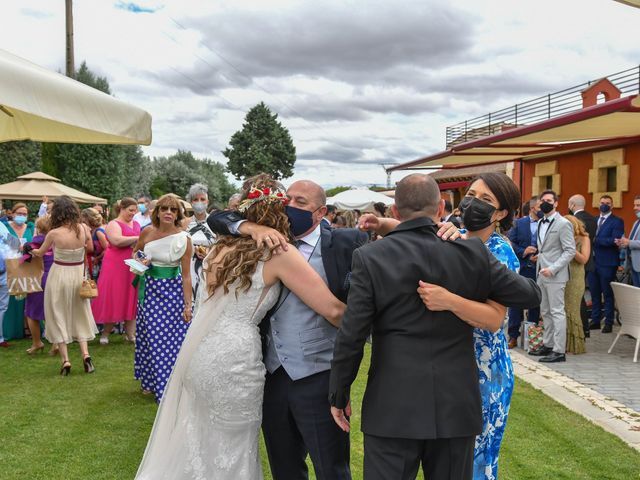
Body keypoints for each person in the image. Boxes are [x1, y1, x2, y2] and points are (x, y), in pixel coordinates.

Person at [135, 175, 348, 479]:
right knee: (232, 449)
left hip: (201, 354)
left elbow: (221, 222)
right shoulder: (278, 251)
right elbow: (333, 309)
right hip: (235, 361)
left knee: (200, 440)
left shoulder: (220, 248)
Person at [329, 174, 541, 480]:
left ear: (396, 212)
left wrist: (339, 392)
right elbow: (530, 294)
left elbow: (352, 334)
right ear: (441, 207)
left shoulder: (371, 257)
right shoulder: (470, 251)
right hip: (455, 404)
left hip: (393, 405)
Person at [208, 178, 368, 480]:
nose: (289, 206)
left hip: (320, 373)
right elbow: (217, 217)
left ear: (320, 213)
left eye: (300, 203)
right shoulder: (266, 240)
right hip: (271, 373)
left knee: (331, 468)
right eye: (287, 199)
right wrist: (254, 227)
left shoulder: (347, 242)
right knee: (285, 467)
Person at [133, 194, 193, 403]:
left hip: (172, 292)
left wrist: (188, 305)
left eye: (173, 210)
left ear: (178, 214)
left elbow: (186, 276)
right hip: (148, 290)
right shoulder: (147, 232)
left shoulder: (184, 239)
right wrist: (142, 260)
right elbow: (136, 254)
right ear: (157, 212)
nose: (168, 212)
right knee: (149, 336)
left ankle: (166, 385)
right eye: (164, 209)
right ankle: (149, 381)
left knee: (168, 341)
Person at [31, 196, 97, 375]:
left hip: (59, 274)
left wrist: (31, 250)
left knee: (57, 313)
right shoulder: (84, 228)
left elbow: (40, 252)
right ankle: (85, 355)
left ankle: (66, 360)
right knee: (80, 313)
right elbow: (89, 248)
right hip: (78, 275)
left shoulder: (54, 233)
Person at [528, 190, 576, 362]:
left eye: (549, 200)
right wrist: (539, 258)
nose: (545, 203)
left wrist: (553, 268)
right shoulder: (540, 222)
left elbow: (570, 250)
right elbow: (545, 249)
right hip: (541, 272)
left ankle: (559, 350)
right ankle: (547, 345)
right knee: (545, 311)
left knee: (557, 311)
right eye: (543, 200)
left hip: (556, 274)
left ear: (556, 203)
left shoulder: (563, 223)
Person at [92, 197, 140, 344]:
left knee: (131, 296)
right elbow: (116, 241)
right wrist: (138, 237)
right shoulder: (113, 224)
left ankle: (130, 334)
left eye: (135, 210)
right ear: (122, 209)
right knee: (114, 295)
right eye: (130, 210)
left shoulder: (136, 223)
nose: (133, 213)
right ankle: (105, 333)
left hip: (132, 264)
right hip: (115, 264)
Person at [506, 196, 542, 348]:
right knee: (516, 303)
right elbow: (510, 242)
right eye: (540, 206)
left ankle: (532, 337)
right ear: (533, 208)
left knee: (535, 302)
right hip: (521, 268)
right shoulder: (519, 223)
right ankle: (513, 335)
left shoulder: (546, 224)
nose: (543, 209)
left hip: (539, 268)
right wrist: (523, 251)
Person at [588, 195, 624, 333]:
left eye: (607, 203)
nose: (604, 205)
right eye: (602, 203)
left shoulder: (617, 221)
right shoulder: (594, 220)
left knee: (607, 293)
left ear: (612, 206)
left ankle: (608, 322)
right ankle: (596, 320)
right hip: (593, 262)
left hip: (608, 263)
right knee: (594, 292)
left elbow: (614, 240)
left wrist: (596, 240)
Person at [1, 202, 35, 341]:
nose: (21, 216)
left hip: (28, 264)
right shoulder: (5, 227)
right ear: (13, 214)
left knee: (28, 296)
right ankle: (12, 329)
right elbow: (7, 242)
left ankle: (29, 327)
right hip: (11, 264)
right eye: (19, 213)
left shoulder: (31, 227)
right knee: (12, 297)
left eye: (24, 214)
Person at [567, 194, 597, 338]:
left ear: (572, 204)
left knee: (576, 299)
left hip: (577, 263)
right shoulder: (593, 219)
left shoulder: (575, 220)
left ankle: (581, 329)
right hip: (589, 261)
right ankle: (584, 328)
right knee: (580, 297)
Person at [24, 216, 54, 354]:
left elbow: (25, 259)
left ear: (39, 228)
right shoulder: (57, 240)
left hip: (39, 278)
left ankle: (37, 342)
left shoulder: (35, 242)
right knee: (54, 312)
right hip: (55, 277)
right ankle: (56, 343)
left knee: (31, 312)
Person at [185, 183, 216, 307]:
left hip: (209, 267)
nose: (199, 202)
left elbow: (221, 245)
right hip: (188, 269)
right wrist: (193, 250)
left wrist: (210, 252)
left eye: (202, 199)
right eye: (195, 199)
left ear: (207, 201)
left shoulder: (215, 222)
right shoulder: (184, 223)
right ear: (191, 202)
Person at [564, 215, 591, 354]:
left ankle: (576, 345)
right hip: (562, 276)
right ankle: (563, 343)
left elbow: (584, 259)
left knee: (573, 310)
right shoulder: (562, 237)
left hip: (576, 277)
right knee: (563, 310)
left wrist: (570, 248)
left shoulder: (584, 238)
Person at [616, 195, 640, 287]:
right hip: (633, 265)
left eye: (638, 205)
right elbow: (631, 241)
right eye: (634, 205)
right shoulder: (636, 222)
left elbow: (631, 242)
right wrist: (622, 243)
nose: (635, 208)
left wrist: (629, 242)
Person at [82, 208, 108, 279]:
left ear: (88, 218)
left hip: (102, 263)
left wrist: (97, 258)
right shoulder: (92, 230)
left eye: (83, 218)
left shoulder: (99, 232)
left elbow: (108, 249)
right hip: (97, 263)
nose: (82, 221)